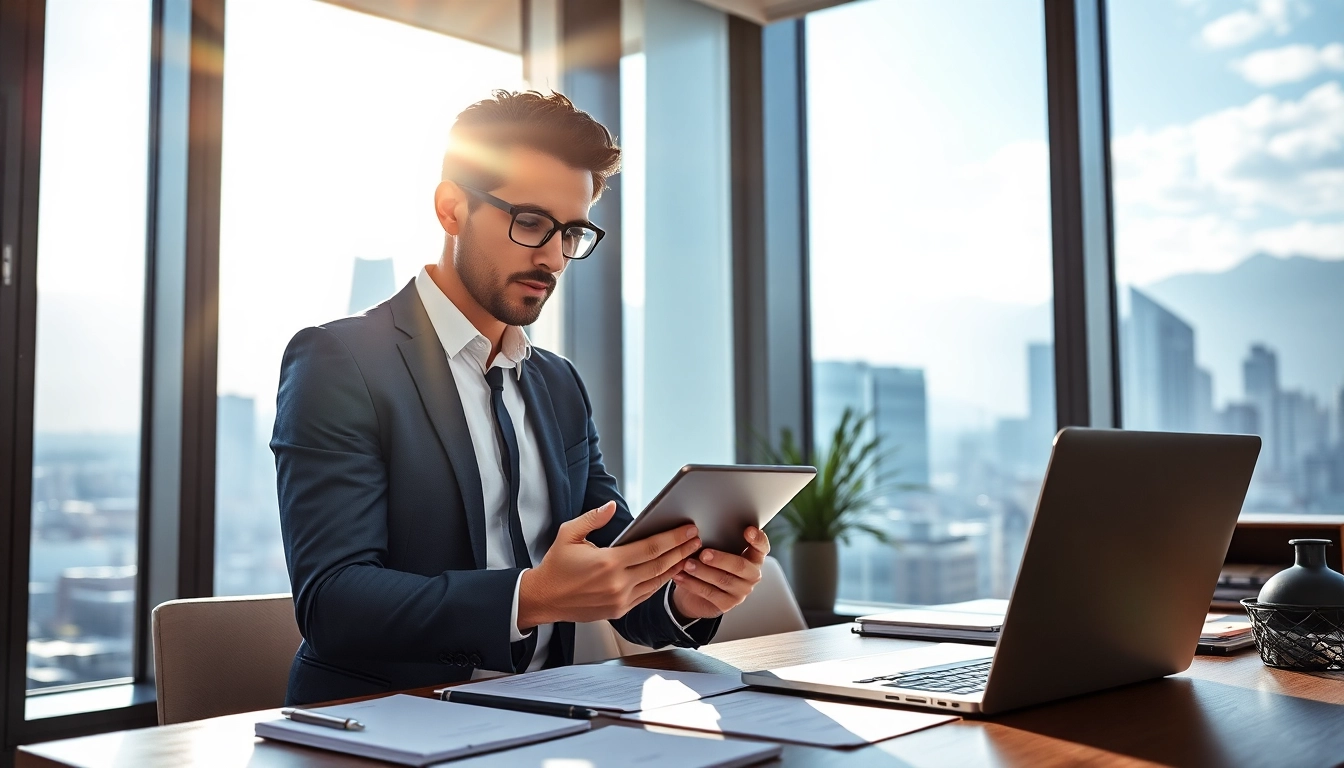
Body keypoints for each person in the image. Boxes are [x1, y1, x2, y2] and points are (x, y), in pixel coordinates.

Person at [271, 90, 771, 705]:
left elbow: (612, 569)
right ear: (451, 209)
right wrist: (530, 598)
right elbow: (333, 603)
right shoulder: (339, 362)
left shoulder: (558, 384)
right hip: (381, 725)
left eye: (572, 232)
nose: (554, 256)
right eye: (530, 222)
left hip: (542, 720)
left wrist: (682, 595)